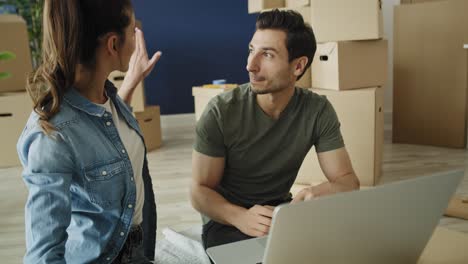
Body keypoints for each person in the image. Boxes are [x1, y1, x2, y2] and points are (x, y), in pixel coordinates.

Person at [190, 9, 360, 250]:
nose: (250, 65)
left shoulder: (317, 110)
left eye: (267, 55)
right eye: (251, 50)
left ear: (298, 66)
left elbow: (348, 182)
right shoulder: (220, 112)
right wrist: (241, 217)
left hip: (281, 212)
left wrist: (318, 193)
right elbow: (199, 191)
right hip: (228, 220)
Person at [16, 0, 161, 263]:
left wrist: (130, 83)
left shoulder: (108, 98)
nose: (137, 38)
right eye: (132, 31)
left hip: (136, 250)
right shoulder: (51, 136)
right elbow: (43, 254)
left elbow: (106, 137)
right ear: (113, 45)